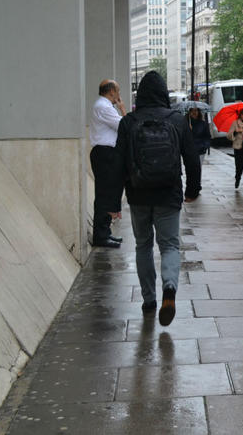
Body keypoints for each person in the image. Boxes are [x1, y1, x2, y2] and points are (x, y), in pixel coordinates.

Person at [110, 71, 201, 326]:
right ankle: (169, 289)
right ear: (163, 93)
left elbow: (117, 165)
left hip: (138, 193)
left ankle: (149, 299)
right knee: (170, 245)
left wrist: (113, 202)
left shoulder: (128, 122)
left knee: (143, 245)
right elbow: (193, 160)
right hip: (169, 193)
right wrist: (192, 190)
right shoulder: (177, 120)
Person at [89, 79, 126, 248]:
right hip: (105, 154)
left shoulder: (104, 106)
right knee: (104, 195)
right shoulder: (103, 106)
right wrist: (123, 109)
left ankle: (105, 232)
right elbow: (124, 126)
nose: (118, 95)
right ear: (111, 91)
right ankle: (101, 236)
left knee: (107, 193)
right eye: (117, 91)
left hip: (106, 153)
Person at [227, 108, 243, 190]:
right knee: (239, 168)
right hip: (239, 149)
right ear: (240, 115)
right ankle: (237, 179)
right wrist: (236, 132)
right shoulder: (235, 123)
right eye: (242, 114)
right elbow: (229, 135)